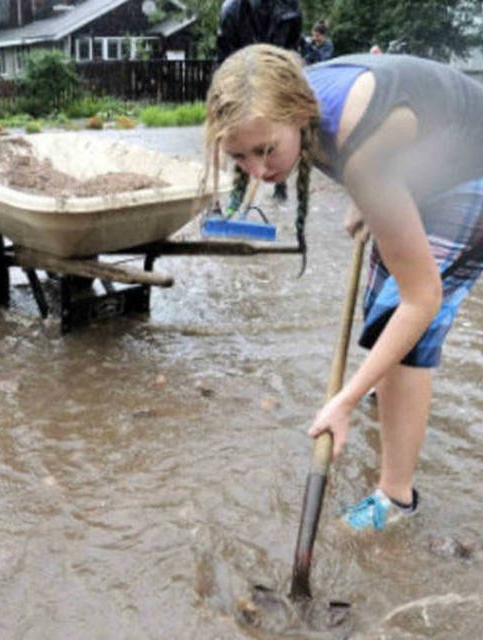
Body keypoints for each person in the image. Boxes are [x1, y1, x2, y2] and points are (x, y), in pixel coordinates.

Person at [205, 44, 483, 532]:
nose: (258, 171)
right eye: (239, 156)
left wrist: (344, 400)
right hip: (421, 157)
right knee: (385, 321)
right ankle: (395, 395)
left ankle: (396, 499)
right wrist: (372, 195)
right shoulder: (289, 94)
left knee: (405, 325)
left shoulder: (361, 148)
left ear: (297, 113)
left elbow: (424, 298)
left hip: (469, 170)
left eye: (266, 150)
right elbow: (382, 152)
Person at [216, 0, 302, 206]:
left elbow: (292, 48)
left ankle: (280, 185)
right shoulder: (231, 10)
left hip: (277, 76)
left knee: (276, 135)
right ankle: (237, 195)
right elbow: (224, 56)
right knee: (243, 135)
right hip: (242, 78)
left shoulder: (290, 8)